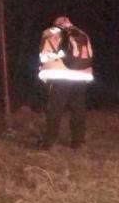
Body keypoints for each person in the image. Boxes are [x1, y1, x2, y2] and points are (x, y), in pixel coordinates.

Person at [37, 15, 93, 150]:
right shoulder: (81, 34)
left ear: (56, 24)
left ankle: (48, 143)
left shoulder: (51, 33)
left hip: (60, 76)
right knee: (78, 110)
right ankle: (78, 143)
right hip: (81, 77)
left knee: (55, 110)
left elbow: (44, 55)